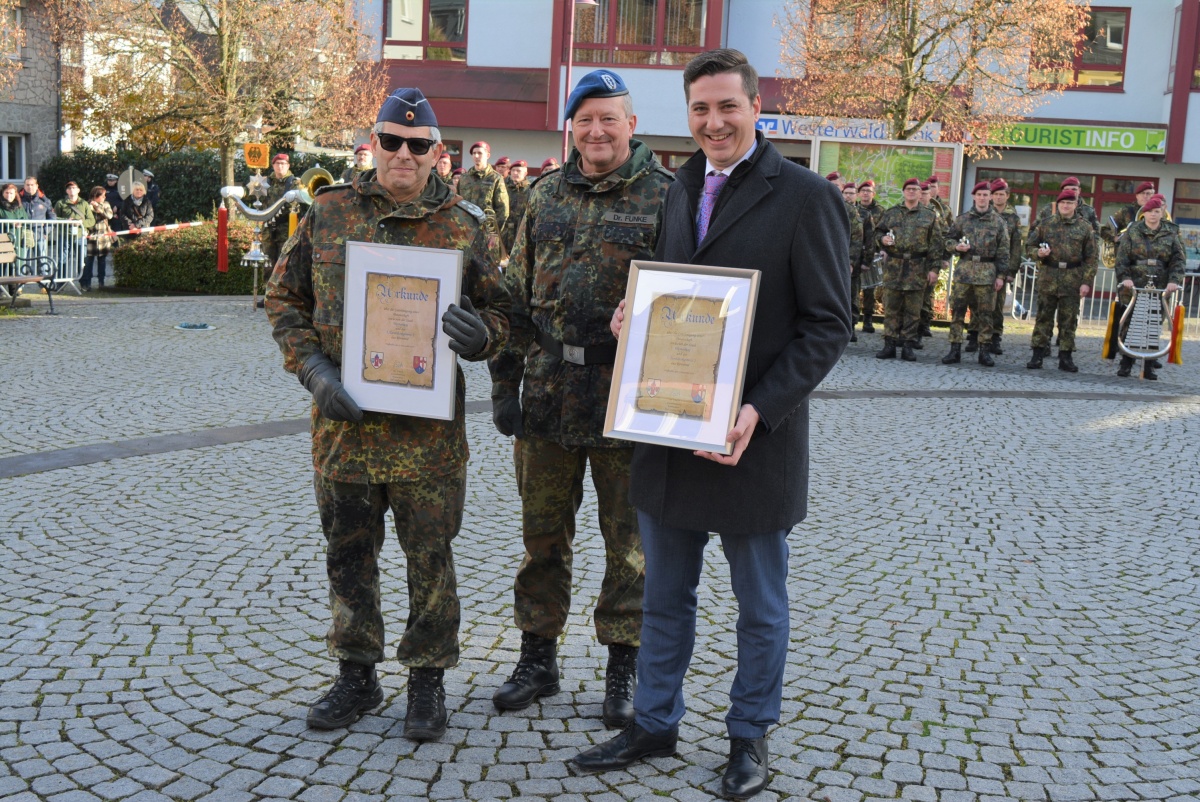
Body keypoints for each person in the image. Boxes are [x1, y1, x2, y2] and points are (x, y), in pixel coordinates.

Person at [571, 49, 851, 801]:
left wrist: (758, 409)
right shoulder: (680, 186)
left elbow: (828, 327)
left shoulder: (805, 196)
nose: (714, 122)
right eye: (700, 109)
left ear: (755, 107)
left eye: (728, 107)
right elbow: (681, 291)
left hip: (751, 441)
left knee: (760, 606)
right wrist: (641, 316)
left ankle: (748, 736)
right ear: (686, 115)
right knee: (663, 595)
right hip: (670, 429)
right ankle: (655, 720)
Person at [265, 87, 511, 741]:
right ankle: (357, 676)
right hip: (344, 428)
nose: (404, 154)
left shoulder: (466, 226)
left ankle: (427, 682)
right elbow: (283, 298)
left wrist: (481, 334)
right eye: (391, 141)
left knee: (430, 557)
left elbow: (505, 313)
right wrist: (314, 373)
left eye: (419, 144)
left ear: (438, 154)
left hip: (427, 438)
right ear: (373, 144)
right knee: (349, 556)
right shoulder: (327, 213)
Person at [488, 69, 672, 729]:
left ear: (630, 124)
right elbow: (514, 295)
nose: (596, 131)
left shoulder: (666, 200)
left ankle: (624, 669)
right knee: (542, 539)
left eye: (608, 118)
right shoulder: (543, 198)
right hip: (545, 397)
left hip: (629, 400)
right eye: (585, 119)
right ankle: (538, 658)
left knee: (630, 547)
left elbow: (689, 306)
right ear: (572, 126)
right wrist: (504, 382)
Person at [1113, 195, 1184, 380]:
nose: (1153, 215)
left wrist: (1174, 280)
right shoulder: (1133, 231)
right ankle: (1126, 363)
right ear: (1144, 213)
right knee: (1129, 323)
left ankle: (1149, 365)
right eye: (1149, 211)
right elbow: (1122, 259)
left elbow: (1178, 260)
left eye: (1156, 211)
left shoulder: (1171, 233)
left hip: (1160, 286)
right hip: (1134, 285)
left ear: (1162, 213)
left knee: (1152, 326)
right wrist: (1125, 278)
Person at [1024, 190, 1097, 372]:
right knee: (1043, 318)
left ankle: (1066, 357)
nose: (1066, 206)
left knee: (1068, 321)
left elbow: (1091, 258)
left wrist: (1086, 282)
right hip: (1049, 274)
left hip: (1072, 278)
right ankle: (1037, 354)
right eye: (1063, 203)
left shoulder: (1085, 227)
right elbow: (1029, 246)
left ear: (1075, 205)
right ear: (1058, 204)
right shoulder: (1046, 225)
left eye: (1070, 203)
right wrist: (1038, 253)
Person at [874, 178, 943, 361]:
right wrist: (882, 240)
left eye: (915, 189)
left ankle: (908, 345)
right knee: (891, 309)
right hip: (895, 267)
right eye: (908, 189)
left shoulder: (929, 216)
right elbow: (878, 232)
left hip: (917, 267)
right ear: (903, 192)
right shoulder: (891, 213)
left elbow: (936, 245)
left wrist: (934, 269)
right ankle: (889, 344)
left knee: (913, 311)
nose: (911, 192)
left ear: (921, 193)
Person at [941, 181, 1008, 367]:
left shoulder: (998, 222)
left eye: (986, 195)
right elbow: (947, 240)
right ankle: (954, 349)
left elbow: (1004, 252)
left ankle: (984, 351)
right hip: (965, 272)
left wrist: (1001, 276)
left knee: (986, 314)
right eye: (979, 194)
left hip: (987, 274)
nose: (982, 198)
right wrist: (956, 246)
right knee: (958, 312)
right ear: (973, 196)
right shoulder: (962, 220)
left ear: (990, 197)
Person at [967, 178, 1022, 355]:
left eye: (1002, 194)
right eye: (996, 194)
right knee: (976, 302)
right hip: (979, 267)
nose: (998, 197)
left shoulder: (1012, 218)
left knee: (996, 305)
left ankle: (995, 338)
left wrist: (1010, 271)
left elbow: (1014, 246)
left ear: (1007, 196)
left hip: (1000, 268)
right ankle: (974, 335)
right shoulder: (982, 213)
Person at [457, 141, 509, 246]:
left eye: (480, 153)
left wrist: (494, 233)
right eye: (474, 153)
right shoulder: (464, 178)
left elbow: (503, 209)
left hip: (487, 231)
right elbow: (458, 203)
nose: (476, 156)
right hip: (465, 229)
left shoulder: (495, 178)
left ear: (488, 155)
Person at [259, 153, 302, 269]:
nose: (280, 166)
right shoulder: (265, 182)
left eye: (283, 164)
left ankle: (283, 287)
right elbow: (256, 197)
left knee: (285, 262)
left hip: (287, 226)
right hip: (268, 227)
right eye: (277, 163)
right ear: (273, 165)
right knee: (267, 262)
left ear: (288, 166)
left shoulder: (295, 183)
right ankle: (267, 286)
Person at [53, 182, 97, 289]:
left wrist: (81, 223)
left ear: (78, 190)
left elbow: (91, 220)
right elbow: (54, 218)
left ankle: (84, 283)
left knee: (82, 260)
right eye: (69, 188)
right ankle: (60, 282)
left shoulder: (84, 204)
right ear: (66, 191)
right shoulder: (60, 203)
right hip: (64, 235)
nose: (72, 190)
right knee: (62, 259)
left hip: (80, 236)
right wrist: (66, 221)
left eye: (74, 188)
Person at [835, 177, 863, 342]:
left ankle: (849, 327)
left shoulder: (849, 210)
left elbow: (857, 238)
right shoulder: (816, 204)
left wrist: (851, 261)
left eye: (837, 187)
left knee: (849, 295)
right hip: (820, 261)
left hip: (843, 260)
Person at [856, 179, 883, 334]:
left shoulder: (880, 211)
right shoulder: (854, 210)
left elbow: (883, 231)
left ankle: (868, 319)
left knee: (869, 289)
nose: (865, 194)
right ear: (859, 194)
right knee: (854, 289)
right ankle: (853, 318)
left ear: (873, 193)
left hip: (873, 253)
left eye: (868, 191)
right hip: (855, 253)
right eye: (863, 191)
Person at [84, 187, 114, 290]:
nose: (104, 197)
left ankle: (102, 283)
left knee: (102, 261)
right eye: (102, 195)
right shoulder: (86, 205)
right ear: (95, 196)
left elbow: (109, 216)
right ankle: (87, 283)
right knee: (89, 261)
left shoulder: (106, 204)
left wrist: (98, 208)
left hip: (103, 236)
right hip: (91, 236)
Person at [501, 159, 530, 253]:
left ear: (525, 173)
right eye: (513, 170)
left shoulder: (530, 189)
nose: (515, 173)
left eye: (518, 171)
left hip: (521, 232)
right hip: (504, 232)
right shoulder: (503, 187)